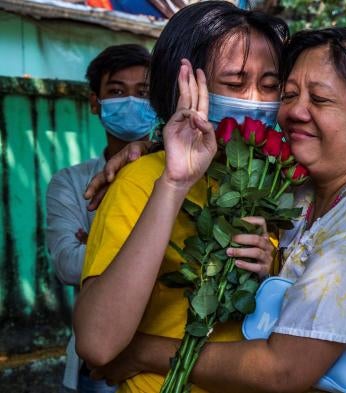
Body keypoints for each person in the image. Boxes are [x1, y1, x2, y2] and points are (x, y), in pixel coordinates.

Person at [83, 26, 346, 392]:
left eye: (319, 99)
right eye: (288, 94)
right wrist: (148, 150)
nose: (294, 111)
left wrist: (142, 350)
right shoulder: (291, 188)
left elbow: (281, 370)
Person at [73, 3, 286, 392]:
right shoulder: (139, 181)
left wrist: (269, 274)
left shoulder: (272, 182)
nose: (255, 100)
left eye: (270, 86)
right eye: (236, 84)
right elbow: (97, 345)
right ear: (184, 86)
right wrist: (173, 183)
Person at [46, 43, 155, 393]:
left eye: (144, 92)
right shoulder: (72, 183)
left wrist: (96, 243)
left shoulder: (181, 175)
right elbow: (66, 264)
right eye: (117, 91)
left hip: (166, 348)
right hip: (99, 363)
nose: (132, 102)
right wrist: (157, 249)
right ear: (95, 102)